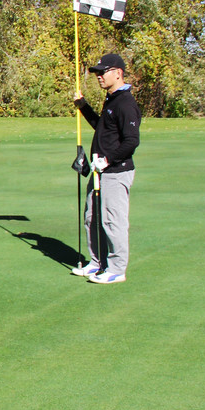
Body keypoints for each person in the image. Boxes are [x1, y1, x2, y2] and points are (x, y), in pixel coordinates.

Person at [72, 53, 141, 284]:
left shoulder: (126, 103)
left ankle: (117, 269)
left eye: (103, 72)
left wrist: (108, 159)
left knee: (113, 221)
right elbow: (102, 128)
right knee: (92, 218)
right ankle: (98, 263)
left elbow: (131, 141)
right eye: (97, 73)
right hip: (99, 171)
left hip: (116, 171)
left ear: (118, 73)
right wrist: (83, 106)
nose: (99, 76)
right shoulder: (111, 100)